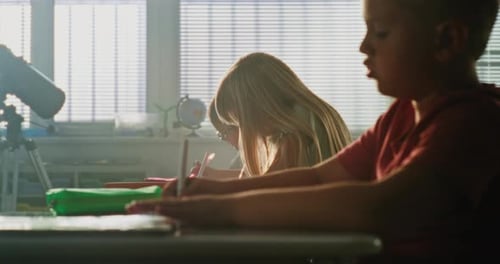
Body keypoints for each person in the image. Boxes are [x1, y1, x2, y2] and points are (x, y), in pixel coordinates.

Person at [128, 0, 500, 262]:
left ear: (447, 41)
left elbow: (376, 207)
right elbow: (321, 177)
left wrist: (215, 209)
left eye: (381, 33)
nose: (363, 46)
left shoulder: (472, 124)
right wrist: (215, 188)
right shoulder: (401, 115)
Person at [195, 52, 352, 179]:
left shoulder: (295, 130)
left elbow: (265, 186)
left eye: (241, 122)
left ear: (256, 108)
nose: (244, 131)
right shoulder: (314, 113)